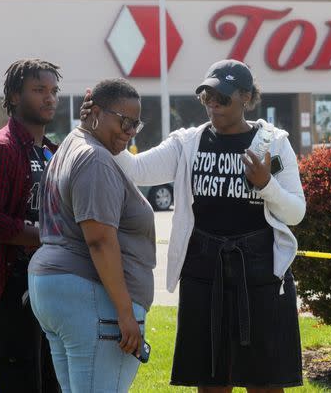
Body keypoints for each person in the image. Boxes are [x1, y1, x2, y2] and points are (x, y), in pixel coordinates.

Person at [82, 59, 306, 392]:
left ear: (246, 97)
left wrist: (265, 185)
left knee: (265, 382)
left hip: (260, 277)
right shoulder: (187, 143)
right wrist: (99, 129)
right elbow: (137, 170)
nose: (213, 104)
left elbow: (296, 212)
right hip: (204, 272)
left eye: (223, 97)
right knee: (211, 380)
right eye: (207, 96)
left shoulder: (272, 143)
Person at [28, 78, 156, 392]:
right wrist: (125, 314)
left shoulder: (73, 143)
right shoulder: (95, 159)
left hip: (59, 289)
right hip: (90, 296)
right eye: (124, 120)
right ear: (96, 112)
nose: (129, 130)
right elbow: (99, 240)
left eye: (135, 124)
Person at [0, 59, 61, 392]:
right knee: (19, 383)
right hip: (9, 289)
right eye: (39, 90)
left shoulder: (49, 151)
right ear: (13, 96)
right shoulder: (1, 148)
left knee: (52, 384)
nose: (49, 98)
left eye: (53, 91)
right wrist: (49, 237)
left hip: (48, 286)